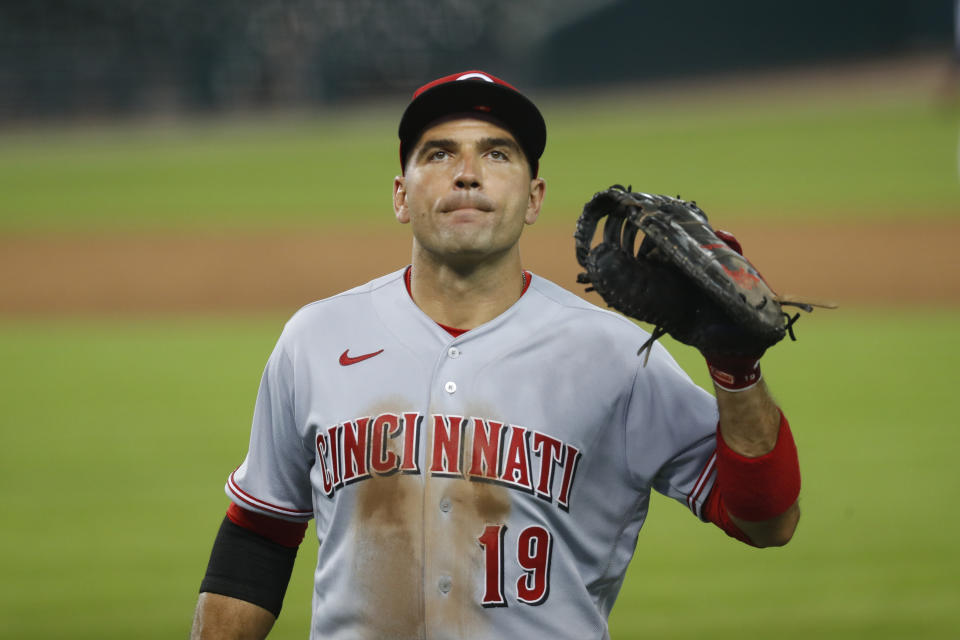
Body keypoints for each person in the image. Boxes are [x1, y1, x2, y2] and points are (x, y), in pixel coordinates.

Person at [190, 70, 801, 640]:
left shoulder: (616, 356)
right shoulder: (316, 339)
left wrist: (737, 374)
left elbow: (767, 521)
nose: (467, 172)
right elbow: (260, 536)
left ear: (534, 198)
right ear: (402, 195)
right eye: (439, 153)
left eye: (497, 153)